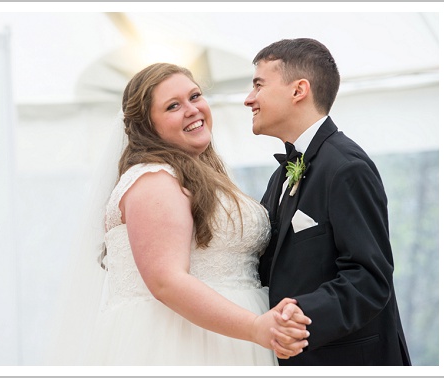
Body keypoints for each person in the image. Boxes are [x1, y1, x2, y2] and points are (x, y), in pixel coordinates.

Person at [46, 62, 310, 366]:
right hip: (181, 344)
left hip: (234, 341)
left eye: (195, 96)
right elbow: (166, 281)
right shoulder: (154, 180)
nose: (192, 109)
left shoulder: (205, 176)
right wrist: (253, 327)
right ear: (148, 126)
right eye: (173, 106)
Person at [245, 38, 411, 365]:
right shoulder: (280, 176)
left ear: (298, 90)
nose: (249, 99)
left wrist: (300, 316)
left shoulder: (347, 168)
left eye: (258, 85)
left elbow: (370, 278)